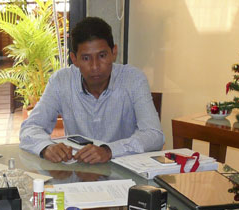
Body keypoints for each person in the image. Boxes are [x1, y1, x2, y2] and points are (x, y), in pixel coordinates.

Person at [19, 16, 164, 164]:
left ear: (114, 52)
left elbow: (154, 135)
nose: (95, 66)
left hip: (126, 174)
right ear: (74, 59)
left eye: (102, 56)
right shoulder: (61, 82)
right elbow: (30, 127)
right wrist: (46, 147)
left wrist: (109, 150)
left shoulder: (133, 79)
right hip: (79, 176)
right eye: (86, 58)